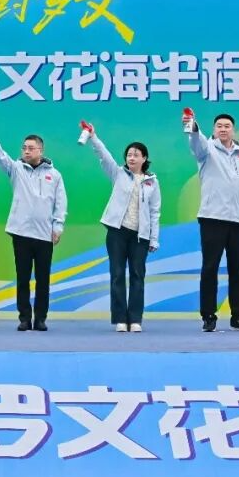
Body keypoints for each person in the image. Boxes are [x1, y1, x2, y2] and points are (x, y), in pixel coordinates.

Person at [0, 129, 67, 332]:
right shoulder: (17, 169)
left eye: (31, 148)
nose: (26, 151)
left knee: (43, 280)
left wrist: (58, 226)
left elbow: (60, 203)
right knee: (22, 278)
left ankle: (40, 319)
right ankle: (24, 318)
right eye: (24, 148)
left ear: (41, 150)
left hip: (44, 234)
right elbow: (1, 158)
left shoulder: (54, 175)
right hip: (21, 232)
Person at [184, 113, 239, 333]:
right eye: (219, 126)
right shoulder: (207, 150)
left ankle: (238, 316)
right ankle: (208, 316)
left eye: (227, 126)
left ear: (233, 130)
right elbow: (196, 143)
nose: (223, 129)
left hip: (238, 220)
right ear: (214, 130)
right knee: (210, 268)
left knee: (238, 270)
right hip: (212, 218)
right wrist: (193, 127)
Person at [86, 124, 160, 333]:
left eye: (136, 155)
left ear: (144, 158)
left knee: (137, 276)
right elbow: (104, 156)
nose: (131, 158)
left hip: (140, 236)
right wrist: (93, 137)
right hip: (117, 233)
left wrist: (153, 238)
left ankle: (135, 319)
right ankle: (120, 318)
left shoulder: (152, 182)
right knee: (117, 275)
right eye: (129, 155)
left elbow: (155, 211)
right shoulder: (118, 173)